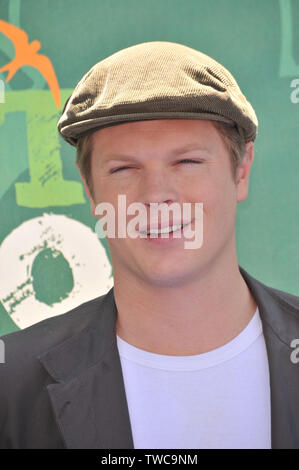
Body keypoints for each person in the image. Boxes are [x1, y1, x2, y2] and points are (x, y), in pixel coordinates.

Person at [1, 41, 299, 450]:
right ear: (89, 188)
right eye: (124, 168)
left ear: (241, 169)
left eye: (187, 162)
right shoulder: (11, 385)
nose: (156, 195)